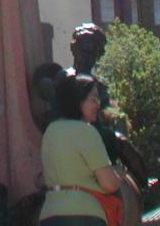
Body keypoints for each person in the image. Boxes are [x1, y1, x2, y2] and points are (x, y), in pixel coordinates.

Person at [39, 72, 123, 226]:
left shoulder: (50, 131)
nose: (98, 104)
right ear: (77, 100)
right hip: (85, 215)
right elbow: (109, 184)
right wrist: (118, 176)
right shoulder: (86, 131)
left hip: (49, 214)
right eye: (93, 99)